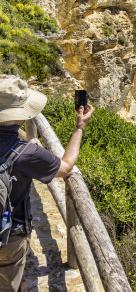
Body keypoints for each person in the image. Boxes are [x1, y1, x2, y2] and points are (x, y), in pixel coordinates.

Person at [0, 75, 93, 291]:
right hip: (8, 236)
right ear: (21, 115)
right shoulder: (26, 153)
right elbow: (66, 166)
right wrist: (79, 127)